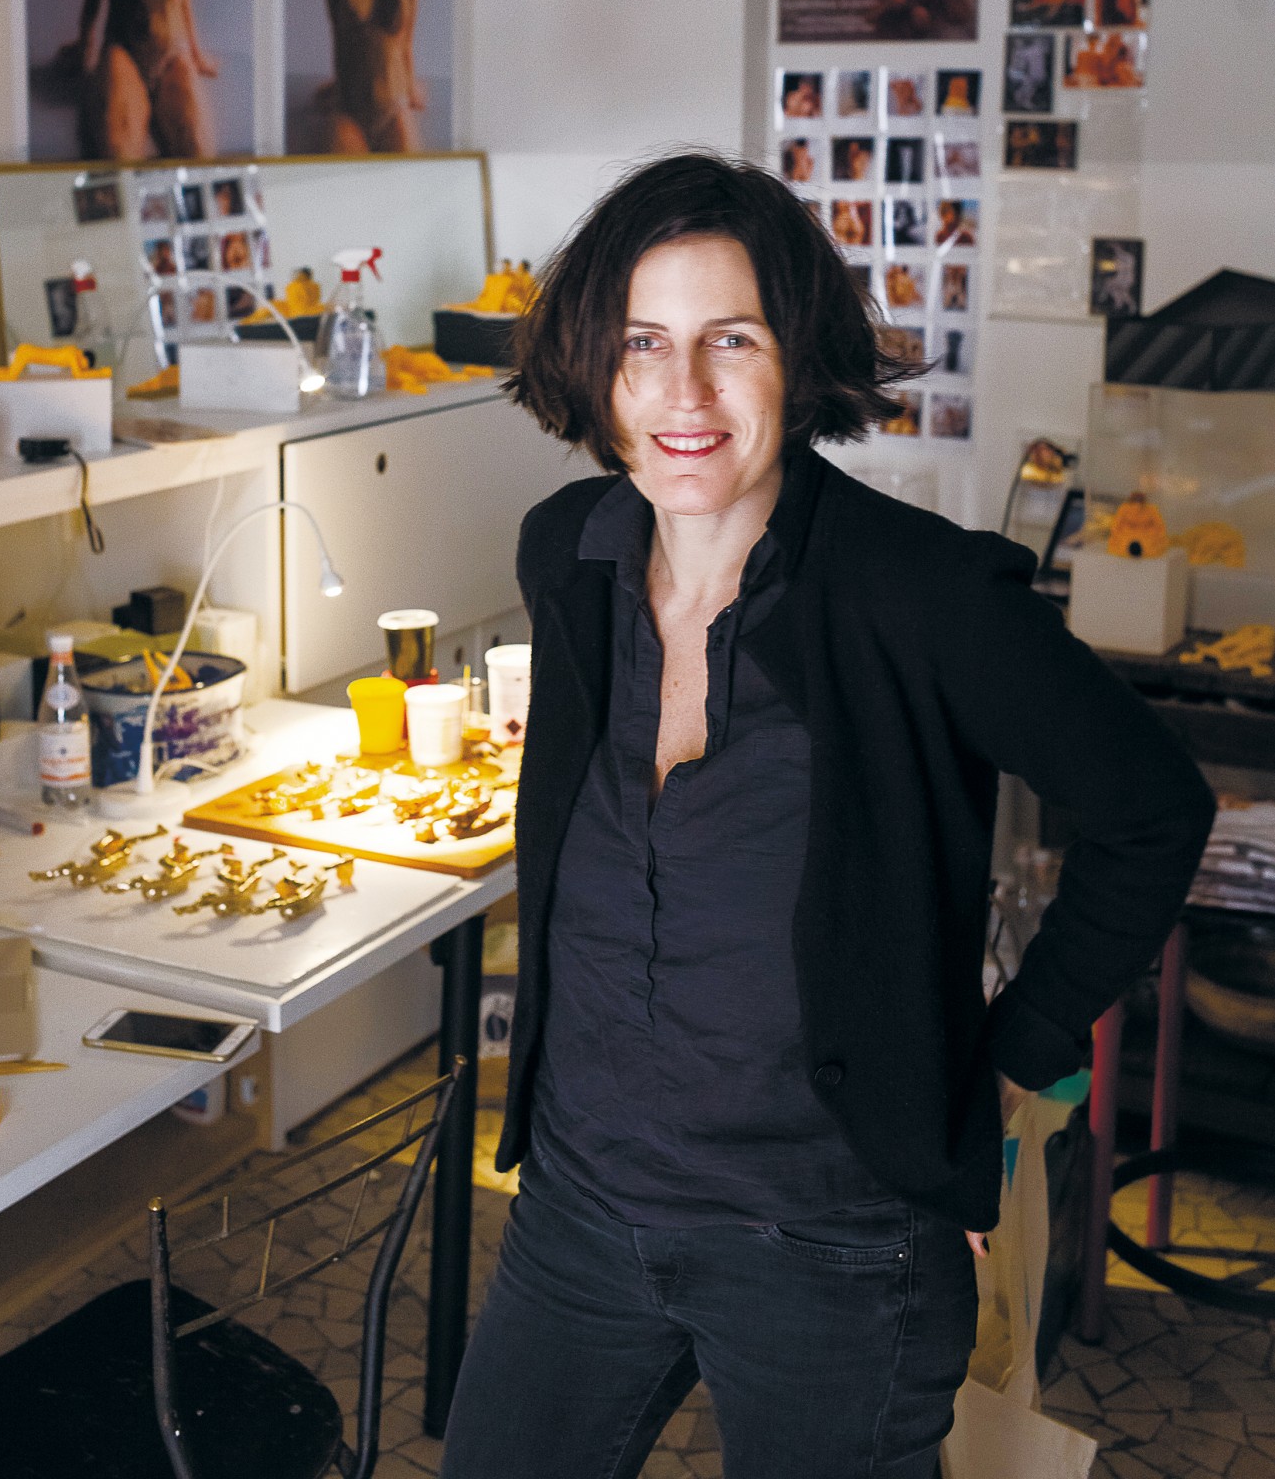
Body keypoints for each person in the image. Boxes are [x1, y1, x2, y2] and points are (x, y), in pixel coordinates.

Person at [439, 153, 1212, 1479]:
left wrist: (1010, 1055)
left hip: (832, 1245)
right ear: (593, 366)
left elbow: (1153, 808)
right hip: (580, 1208)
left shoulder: (922, 594)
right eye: (641, 342)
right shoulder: (566, 550)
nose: (683, 393)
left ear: (798, 358)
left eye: (729, 340)